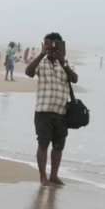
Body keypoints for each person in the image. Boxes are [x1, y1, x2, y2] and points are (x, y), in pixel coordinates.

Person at [25, 32, 78, 186]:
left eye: (56, 44)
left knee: (59, 146)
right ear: (45, 45)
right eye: (50, 44)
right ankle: (43, 177)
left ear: (61, 46)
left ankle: (54, 176)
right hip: (43, 110)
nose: (53, 47)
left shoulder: (66, 63)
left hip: (61, 112)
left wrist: (63, 62)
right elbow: (29, 72)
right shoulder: (41, 62)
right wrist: (42, 54)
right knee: (43, 144)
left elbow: (74, 79)